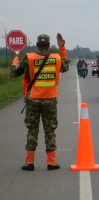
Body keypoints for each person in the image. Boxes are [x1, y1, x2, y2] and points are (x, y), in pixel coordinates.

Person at [10, 33, 70, 171]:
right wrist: (62, 48)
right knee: (50, 130)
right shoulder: (56, 58)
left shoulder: (29, 58)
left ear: (37, 45)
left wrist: (14, 62)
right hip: (50, 100)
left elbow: (14, 74)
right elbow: (66, 67)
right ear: (49, 46)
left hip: (33, 100)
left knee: (32, 130)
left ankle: (29, 163)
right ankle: (51, 163)